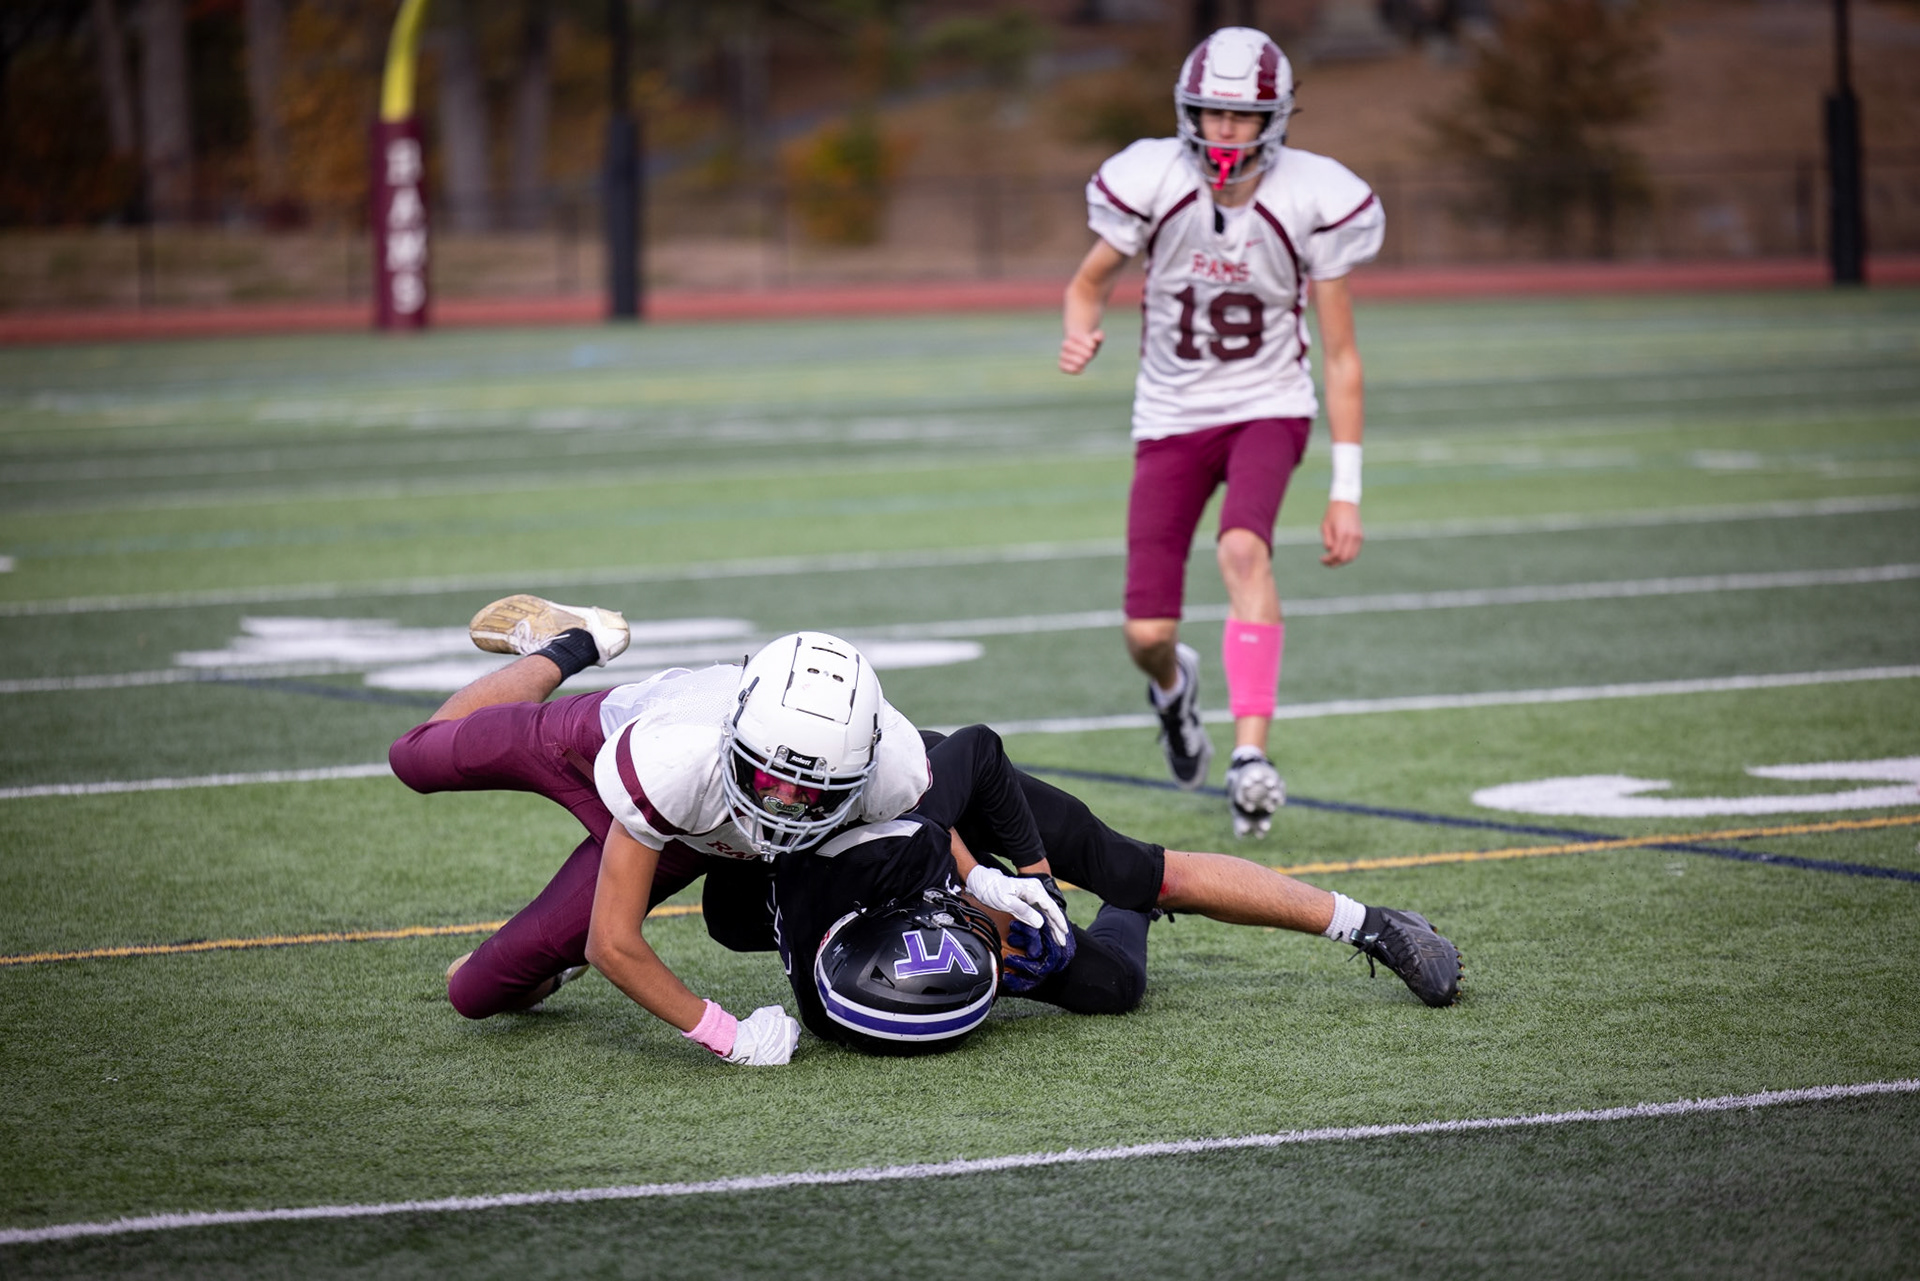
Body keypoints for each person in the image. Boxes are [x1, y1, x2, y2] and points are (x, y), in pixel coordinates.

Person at [389, 595, 1064, 1067]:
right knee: (415, 755)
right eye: (771, 778)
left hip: (687, 841)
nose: (786, 806)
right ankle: (574, 641)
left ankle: (544, 959)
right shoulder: (676, 760)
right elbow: (613, 943)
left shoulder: (891, 767)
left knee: (474, 992)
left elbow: (918, 823)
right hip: (611, 759)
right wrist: (727, 1033)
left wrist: (978, 875)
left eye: (814, 791)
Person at [1059, 26, 1384, 838]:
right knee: (1146, 635)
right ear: (1186, 110)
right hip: (1169, 416)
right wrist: (1081, 327)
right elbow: (1087, 281)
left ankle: (1250, 757)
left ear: (1274, 119)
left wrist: (1346, 491)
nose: (1224, 131)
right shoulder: (1155, 179)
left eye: (1242, 116)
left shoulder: (1313, 196)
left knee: (1244, 548)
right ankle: (1175, 693)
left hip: (1268, 404)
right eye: (1211, 112)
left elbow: (1341, 357)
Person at [773, 724, 1463, 1056]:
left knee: (1134, 868)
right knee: (1115, 986)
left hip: (970, 797)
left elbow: (978, 751)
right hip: (918, 883)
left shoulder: (903, 791)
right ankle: (1129, 912)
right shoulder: (812, 943)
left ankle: (1373, 924)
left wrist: (1033, 876)